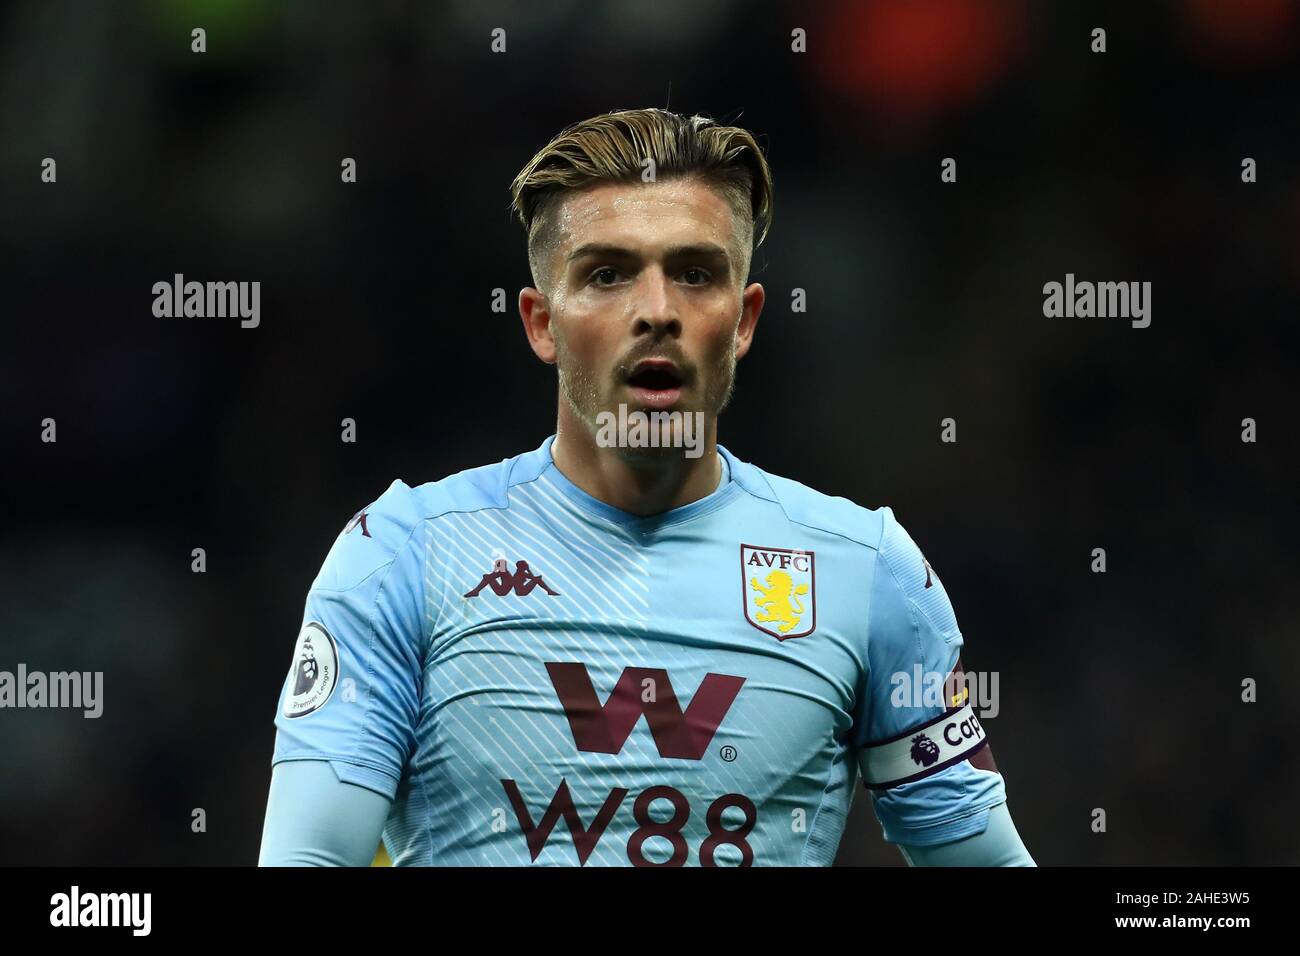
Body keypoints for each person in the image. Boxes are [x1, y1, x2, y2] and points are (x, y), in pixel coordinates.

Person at [258, 108, 1033, 866]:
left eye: (696, 274)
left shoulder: (867, 572)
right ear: (541, 323)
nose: (656, 312)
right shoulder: (403, 557)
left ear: (744, 320)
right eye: (607, 274)